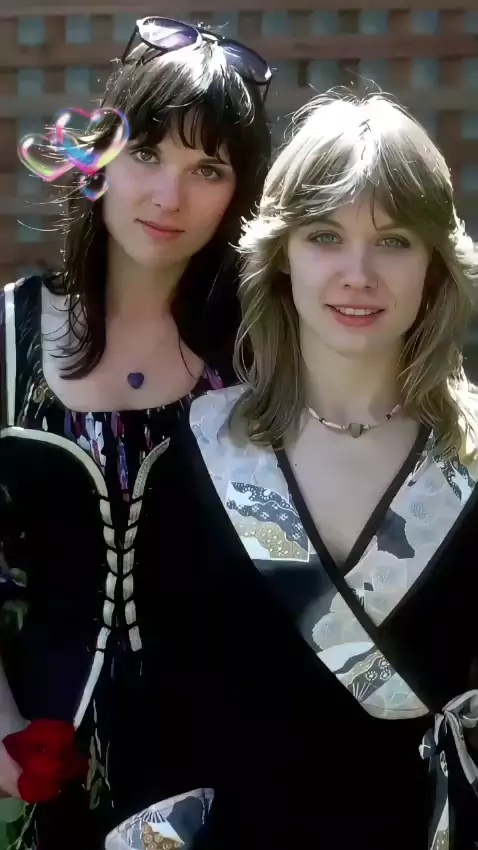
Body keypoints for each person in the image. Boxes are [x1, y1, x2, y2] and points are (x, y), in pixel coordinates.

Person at [0, 16, 271, 849]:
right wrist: (1, 734)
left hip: (223, 775)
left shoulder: (260, 353)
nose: (168, 197)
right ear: (100, 159)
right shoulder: (8, 334)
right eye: (147, 153)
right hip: (37, 769)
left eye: (208, 169)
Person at [188, 92, 478, 849]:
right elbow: (161, 706)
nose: (358, 274)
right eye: (324, 236)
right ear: (282, 254)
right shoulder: (200, 449)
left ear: (434, 265)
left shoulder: (471, 461)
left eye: (394, 241)